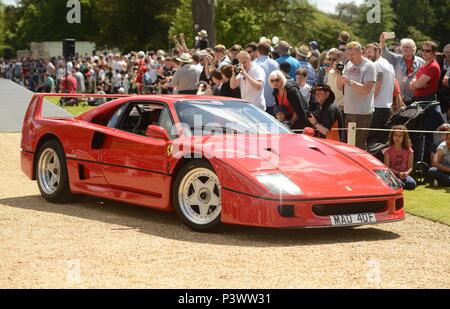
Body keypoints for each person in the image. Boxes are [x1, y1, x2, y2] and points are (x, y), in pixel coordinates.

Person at [337, 41, 376, 150]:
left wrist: (349, 81)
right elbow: (340, 87)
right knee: (349, 145)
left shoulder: (369, 66)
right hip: (349, 110)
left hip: (362, 112)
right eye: (348, 54)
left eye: (353, 54)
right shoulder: (348, 64)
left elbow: (366, 90)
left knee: (358, 146)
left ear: (361, 52)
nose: (350, 57)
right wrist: (339, 77)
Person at [380, 33, 424, 104]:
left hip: (414, 97)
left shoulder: (421, 61)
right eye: (403, 47)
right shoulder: (397, 58)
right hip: (398, 97)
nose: (405, 49)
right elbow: (386, 54)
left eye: (407, 47)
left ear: (413, 49)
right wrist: (382, 42)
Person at [364, 43, 395, 144]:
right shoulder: (387, 64)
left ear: (377, 51)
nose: (367, 55)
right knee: (380, 143)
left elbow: (378, 84)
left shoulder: (376, 65)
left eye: (370, 52)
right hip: (386, 108)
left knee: (372, 142)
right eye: (365, 52)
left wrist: (368, 100)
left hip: (377, 109)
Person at [384, 125, 416, 190]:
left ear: (404, 138)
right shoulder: (387, 151)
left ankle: (398, 184)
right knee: (398, 182)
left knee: (412, 184)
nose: (397, 138)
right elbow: (387, 167)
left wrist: (406, 173)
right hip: (393, 174)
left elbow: (410, 167)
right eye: (395, 135)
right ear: (392, 136)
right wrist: (398, 173)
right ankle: (397, 183)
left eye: (400, 136)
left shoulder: (409, 151)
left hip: (404, 175)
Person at [255, 42, 279, 115]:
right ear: (269, 52)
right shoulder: (275, 64)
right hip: (272, 102)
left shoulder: (254, 64)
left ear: (257, 51)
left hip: (258, 104)